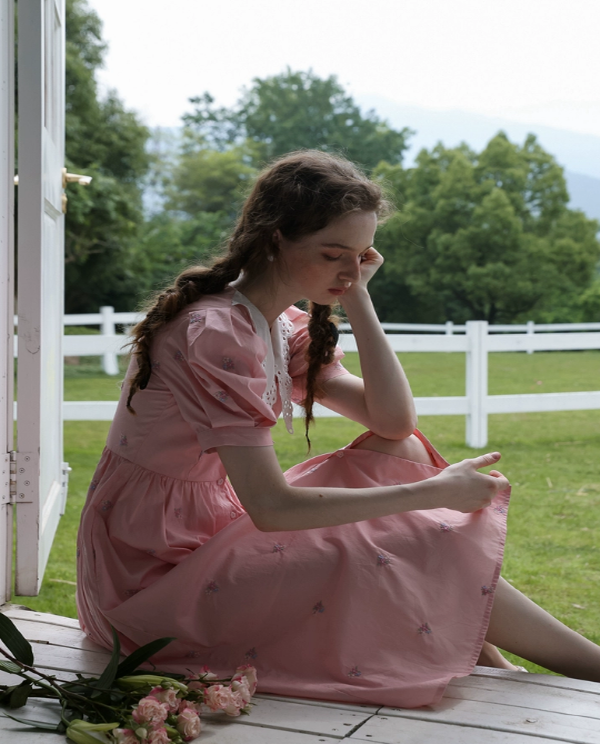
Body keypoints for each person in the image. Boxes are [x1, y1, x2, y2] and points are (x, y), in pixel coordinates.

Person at [76, 150, 600, 709]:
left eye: (361, 256)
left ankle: (482, 651)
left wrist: (357, 295)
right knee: (409, 531)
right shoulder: (217, 333)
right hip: (151, 574)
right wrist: (434, 494)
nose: (350, 270)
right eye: (333, 255)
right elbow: (272, 507)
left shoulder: (278, 324)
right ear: (276, 238)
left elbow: (394, 420)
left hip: (212, 525)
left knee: (398, 450)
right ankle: (578, 663)